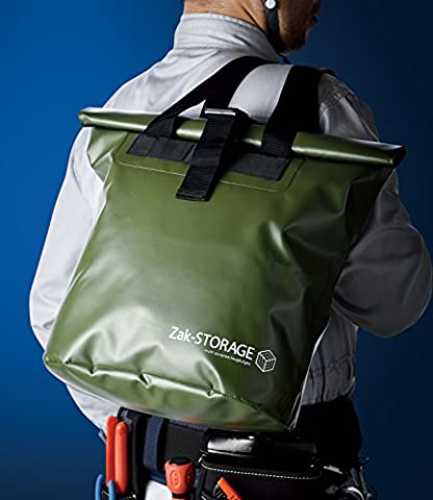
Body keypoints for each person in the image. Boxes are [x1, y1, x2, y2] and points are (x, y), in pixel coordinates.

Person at [29, 1, 432, 498]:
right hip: (287, 479)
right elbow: (395, 303)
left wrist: (148, 427)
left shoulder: (119, 112)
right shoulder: (321, 111)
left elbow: (53, 311)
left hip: (148, 480)